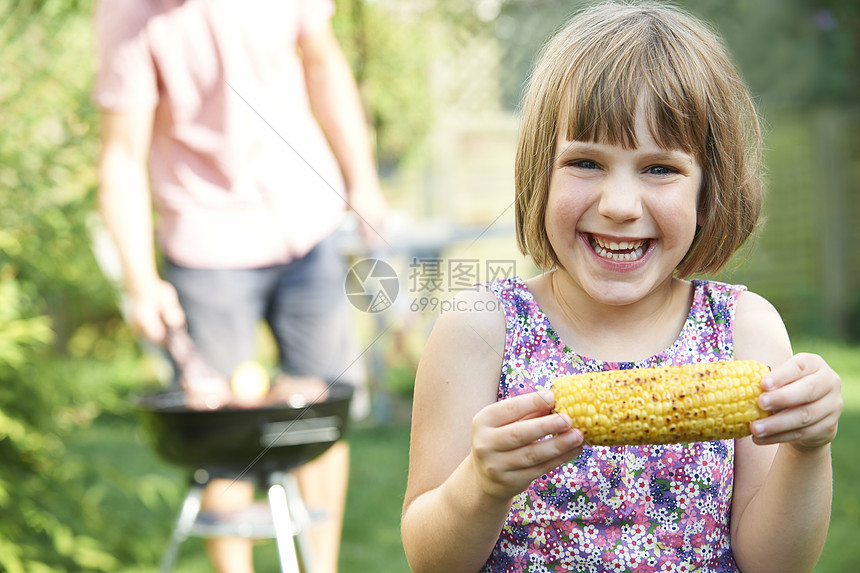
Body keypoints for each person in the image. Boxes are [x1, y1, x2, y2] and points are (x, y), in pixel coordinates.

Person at [400, 2, 842, 572]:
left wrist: (808, 448)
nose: (619, 206)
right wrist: (480, 486)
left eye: (660, 169)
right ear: (541, 175)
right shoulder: (480, 329)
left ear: (709, 193)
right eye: (585, 162)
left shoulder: (744, 330)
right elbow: (430, 562)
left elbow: (774, 564)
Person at [93, 1, 387, 572]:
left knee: (319, 413)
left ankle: (318, 569)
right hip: (206, 242)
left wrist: (364, 180)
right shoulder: (128, 13)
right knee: (220, 429)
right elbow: (121, 156)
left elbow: (324, 66)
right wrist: (140, 280)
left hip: (307, 217)